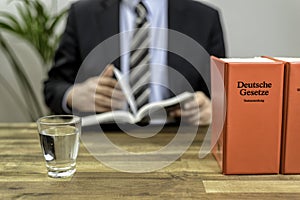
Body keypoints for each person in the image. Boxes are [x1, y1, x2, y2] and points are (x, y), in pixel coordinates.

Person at [44, 0, 226, 125]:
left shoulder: (205, 18)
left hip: (182, 146)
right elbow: (53, 87)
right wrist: (73, 95)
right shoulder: (82, 14)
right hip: (102, 143)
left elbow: (224, 98)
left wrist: (212, 111)